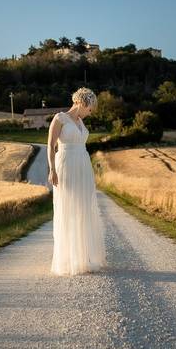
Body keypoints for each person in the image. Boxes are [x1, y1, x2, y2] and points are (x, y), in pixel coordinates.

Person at [47, 88, 107, 275]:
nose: (91, 113)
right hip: (66, 164)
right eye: (90, 109)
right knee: (69, 208)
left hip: (83, 165)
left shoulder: (80, 121)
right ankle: (68, 259)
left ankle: (84, 257)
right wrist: (52, 170)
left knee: (83, 209)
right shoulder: (60, 118)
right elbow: (50, 144)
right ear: (83, 103)